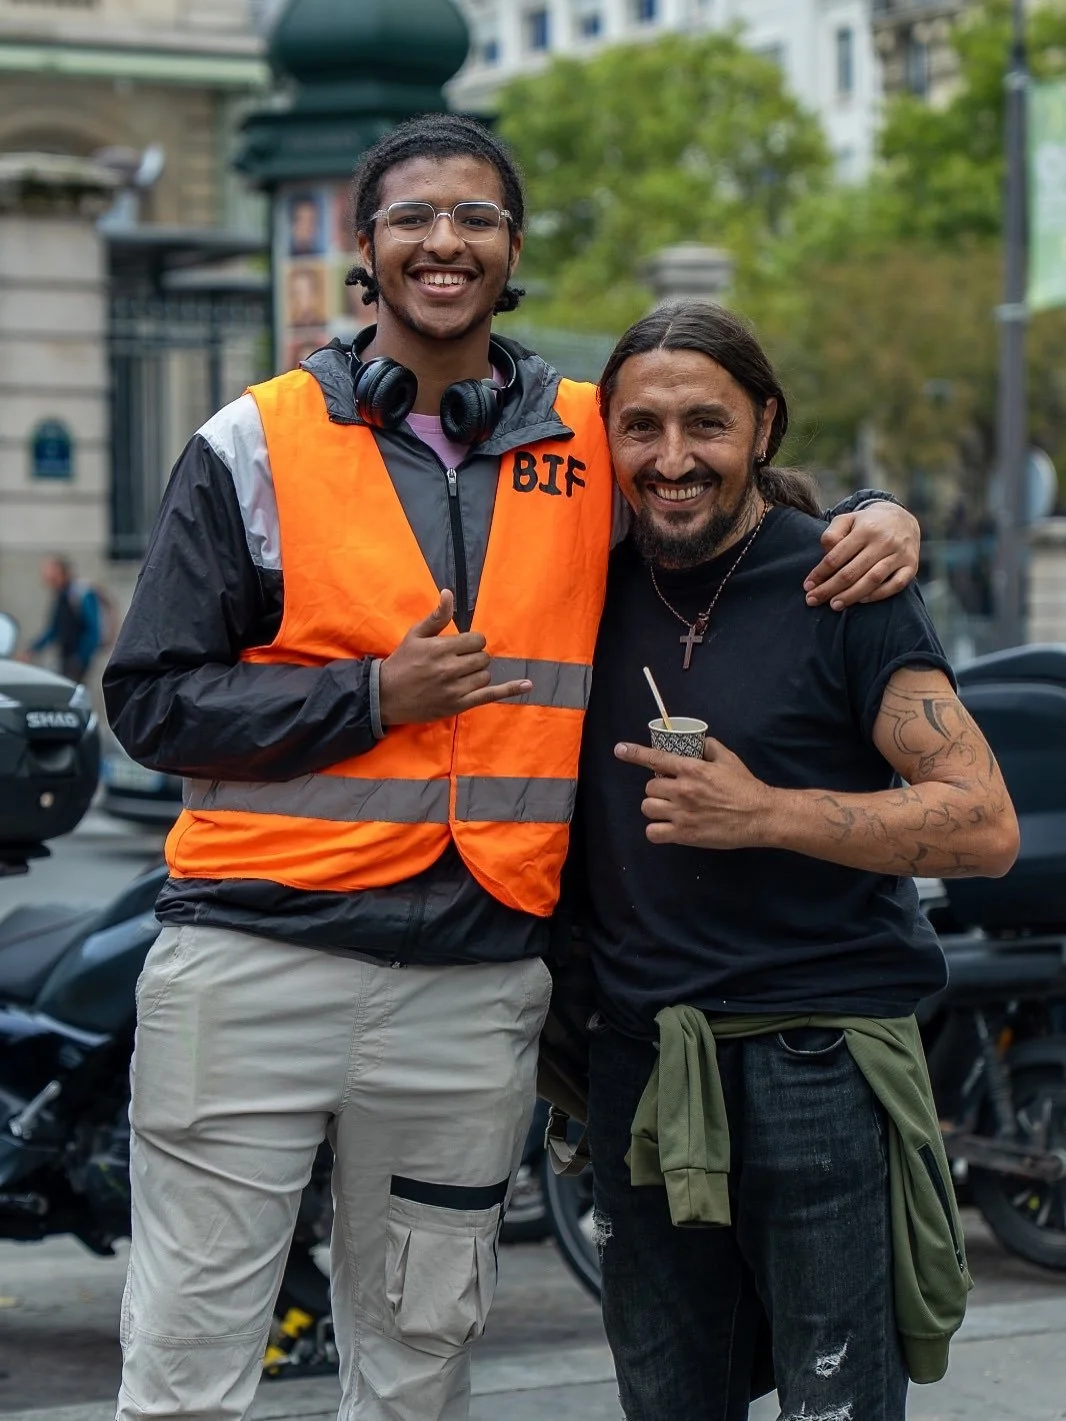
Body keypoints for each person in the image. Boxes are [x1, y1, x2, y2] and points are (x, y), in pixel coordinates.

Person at [102, 114, 921, 1421]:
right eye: (415, 216)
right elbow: (147, 700)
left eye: (475, 216)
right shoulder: (251, 446)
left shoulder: (591, 438)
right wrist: (370, 695)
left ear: (512, 247)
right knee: (189, 1368)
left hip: (470, 986)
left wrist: (874, 517)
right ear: (363, 249)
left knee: (419, 1369)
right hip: (256, 964)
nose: (445, 240)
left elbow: (725, 496)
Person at [577, 301, 1020, 1421]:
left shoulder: (841, 584)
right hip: (641, 1062)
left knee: (837, 1406)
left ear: (763, 426)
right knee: (669, 1403)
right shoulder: (574, 583)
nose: (671, 460)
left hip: (817, 1059)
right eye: (641, 428)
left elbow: (980, 822)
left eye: (705, 425)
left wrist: (766, 812)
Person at [25, 555, 101, 683]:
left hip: (76, 659)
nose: (43, 574)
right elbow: (55, 628)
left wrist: (81, 658)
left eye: (48, 569)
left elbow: (93, 630)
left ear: (59, 571)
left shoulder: (80, 594)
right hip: (66, 657)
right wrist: (32, 649)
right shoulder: (61, 595)